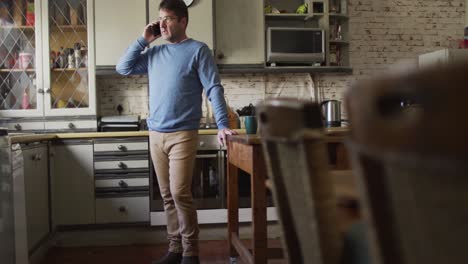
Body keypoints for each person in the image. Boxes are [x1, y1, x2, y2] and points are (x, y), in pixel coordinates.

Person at [116, 0, 236, 263]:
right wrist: (144, 39)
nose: (163, 24)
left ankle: (191, 251)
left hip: (183, 133)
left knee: (180, 192)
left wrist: (222, 124)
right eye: (160, 18)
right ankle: (175, 248)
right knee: (167, 195)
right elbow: (122, 68)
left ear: (183, 21)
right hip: (155, 134)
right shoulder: (154, 54)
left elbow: (213, 88)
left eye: (169, 18)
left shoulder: (198, 50)